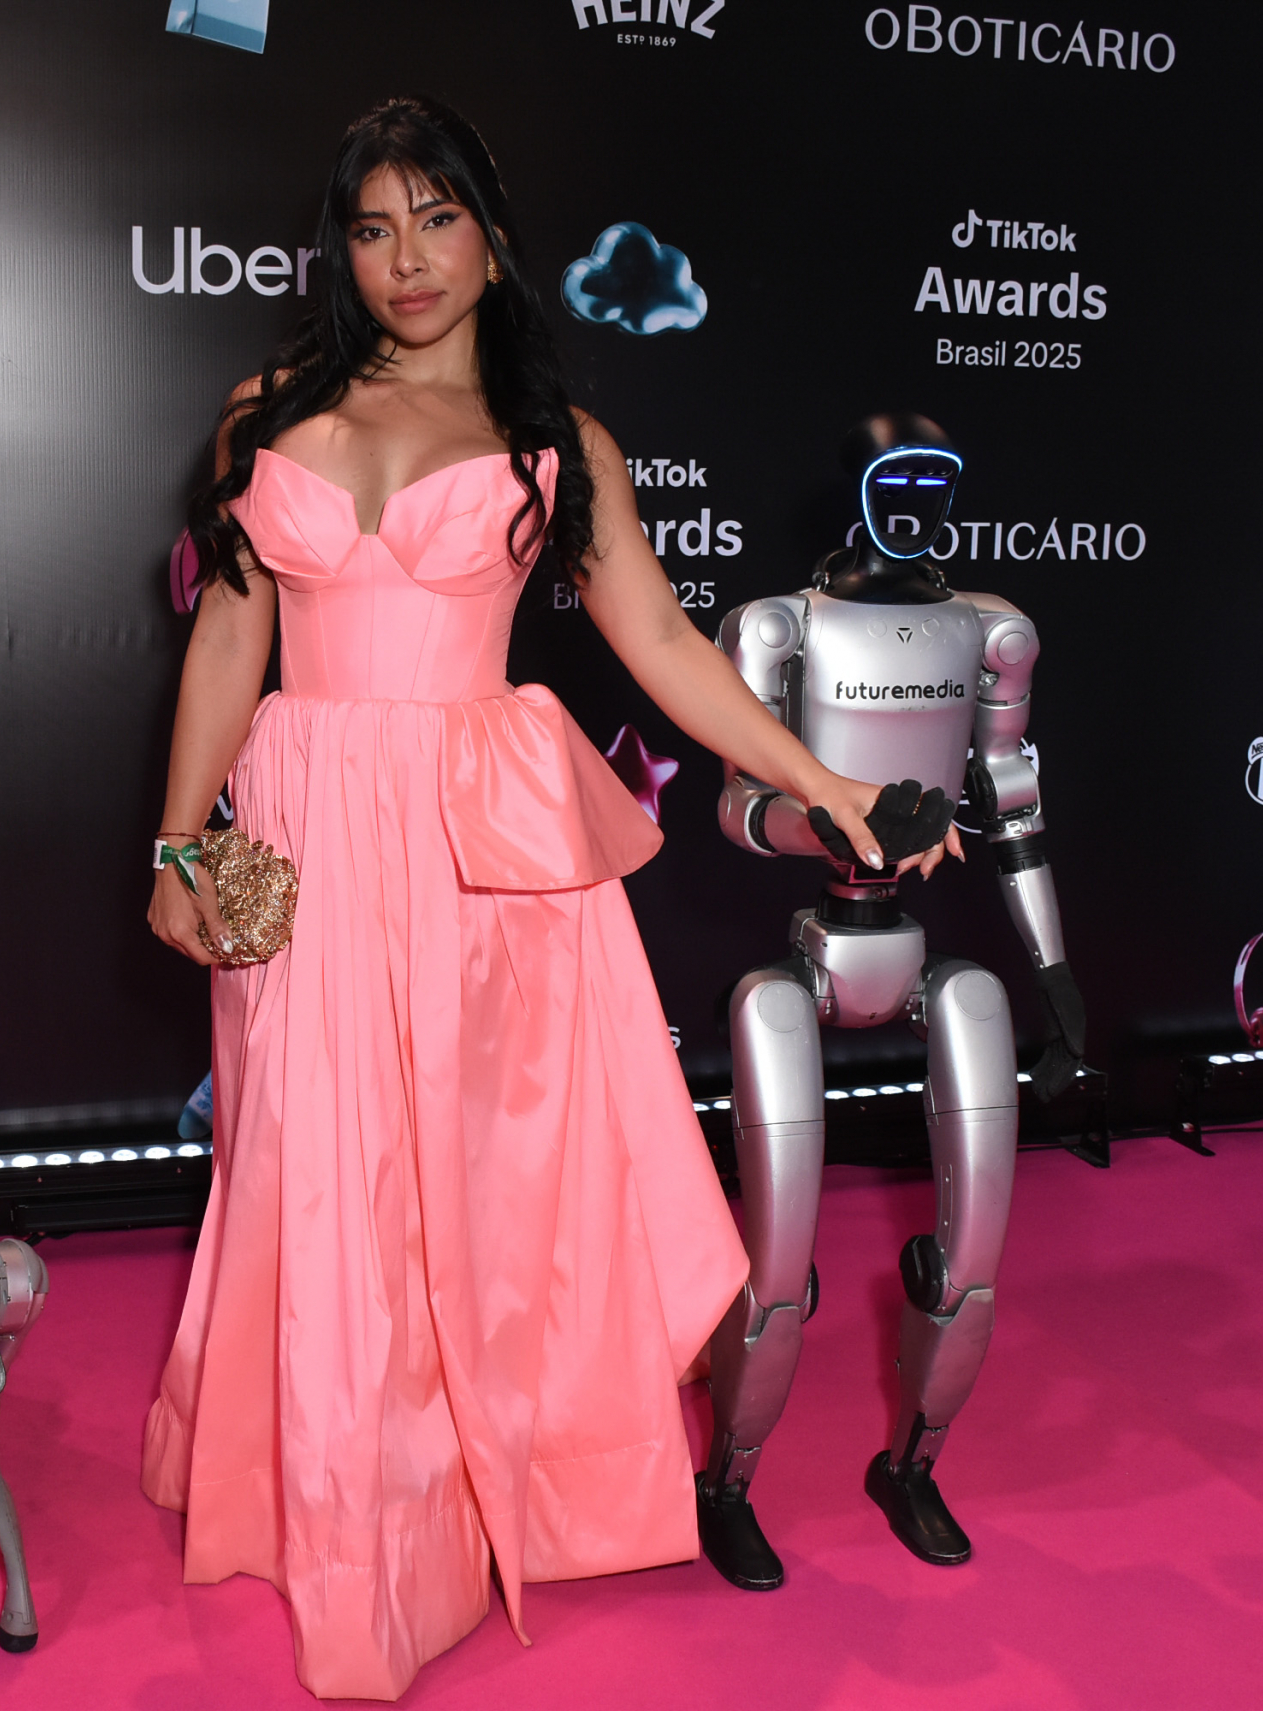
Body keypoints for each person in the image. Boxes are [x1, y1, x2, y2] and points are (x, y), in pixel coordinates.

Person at [139, 96, 943, 1701]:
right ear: (341, 251)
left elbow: (664, 645)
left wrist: (832, 785)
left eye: (436, 219)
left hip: (471, 855)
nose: (407, 259)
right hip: (301, 831)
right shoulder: (263, 416)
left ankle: (468, 1496)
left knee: (473, 1183)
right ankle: (348, 1513)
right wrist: (175, 849)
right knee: (313, 1168)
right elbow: (229, 634)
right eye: (374, 228)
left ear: (493, 237)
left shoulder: (557, 442)